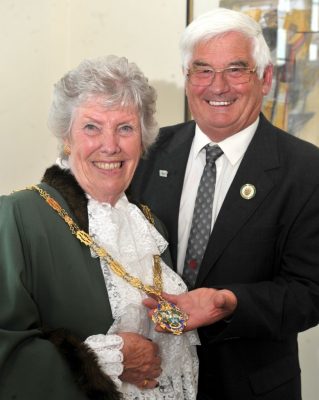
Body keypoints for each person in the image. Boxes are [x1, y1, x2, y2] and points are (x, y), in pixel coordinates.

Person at [129, 8, 319, 400]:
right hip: (151, 380)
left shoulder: (306, 169)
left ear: (264, 78)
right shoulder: (146, 153)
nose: (218, 87)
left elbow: (310, 293)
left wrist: (228, 302)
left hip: (250, 386)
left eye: (236, 70)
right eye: (202, 70)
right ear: (187, 79)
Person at [0, 55, 199, 400]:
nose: (110, 145)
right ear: (66, 136)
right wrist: (108, 360)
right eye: (92, 127)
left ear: (143, 140)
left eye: (125, 128)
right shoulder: (18, 217)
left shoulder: (150, 225)